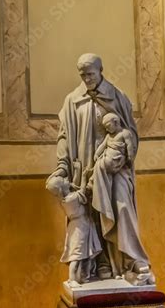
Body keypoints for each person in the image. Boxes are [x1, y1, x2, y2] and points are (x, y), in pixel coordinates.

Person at [48, 53, 152, 282]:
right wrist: (63, 167)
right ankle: (100, 263)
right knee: (92, 216)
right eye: (83, 75)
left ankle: (131, 259)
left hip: (115, 170)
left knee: (121, 206)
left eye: (91, 74)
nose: (87, 78)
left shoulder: (117, 97)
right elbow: (63, 137)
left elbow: (131, 132)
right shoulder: (72, 100)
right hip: (85, 168)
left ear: (101, 70)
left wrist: (121, 156)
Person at [46, 173, 101, 285]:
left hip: (81, 225)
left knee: (84, 252)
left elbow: (76, 190)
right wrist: (84, 176)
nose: (67, 179)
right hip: (79, 228)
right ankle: (72, 279)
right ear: (62, 188)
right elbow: (83, 192)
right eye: (64, 180)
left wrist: (75, 174)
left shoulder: (67, 198)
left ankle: (80, 276)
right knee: (76, 255)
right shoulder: (72, 198)